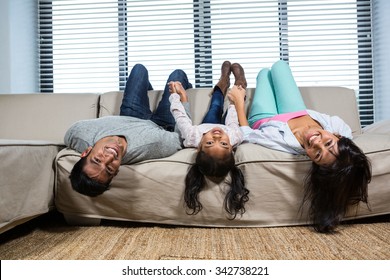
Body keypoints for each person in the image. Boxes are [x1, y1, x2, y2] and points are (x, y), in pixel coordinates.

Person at [228, 60, 371, 232]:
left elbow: (247, 134)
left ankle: (243, 79)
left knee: (264, 73)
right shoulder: (341, 130)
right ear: (338, 136)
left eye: (317, 154)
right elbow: (349, 161)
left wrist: (239, 103)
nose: (316, 143)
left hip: (265, 118)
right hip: (297, 110)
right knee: (280, 66)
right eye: (328, 143)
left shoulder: (285, 144)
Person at [65, 64, 193, 197]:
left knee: (139, 70)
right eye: (109, 169)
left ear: (86, 151)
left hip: (130, 116)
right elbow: (181, 137)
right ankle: (187, 86)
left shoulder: (79, 136)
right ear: (116, 172)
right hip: (161, 125)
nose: (109, 157)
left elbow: (69, 134)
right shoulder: (154, 145)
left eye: (97, 160)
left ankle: (149, 92)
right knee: (176, 75)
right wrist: (184, 100)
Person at [168, 61, 249, 219]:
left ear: (198, 147)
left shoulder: (193, 137)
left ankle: (222, 82)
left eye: (210, 143)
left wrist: (175, 96)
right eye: (223, 144)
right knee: (232, 104)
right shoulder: (235, 137)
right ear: (231, 147)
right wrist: (235, 102)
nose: (217, 136)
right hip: (228, 126)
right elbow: (232, 122)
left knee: (216, 105)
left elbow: (180, 116)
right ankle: (240, 82)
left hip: (207, 125)